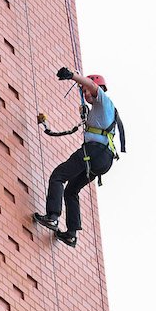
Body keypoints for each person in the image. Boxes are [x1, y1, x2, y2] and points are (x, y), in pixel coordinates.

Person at [34, 67, 122, 248]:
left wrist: (72, 76)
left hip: (95, 151)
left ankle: (53, 217)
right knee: (71, 190)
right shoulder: (99, 110)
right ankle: (71, 234)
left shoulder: (104, 101)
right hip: (103, 159)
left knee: (58, 175)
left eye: (85, 90)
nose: (84, 93)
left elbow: (90, 84)